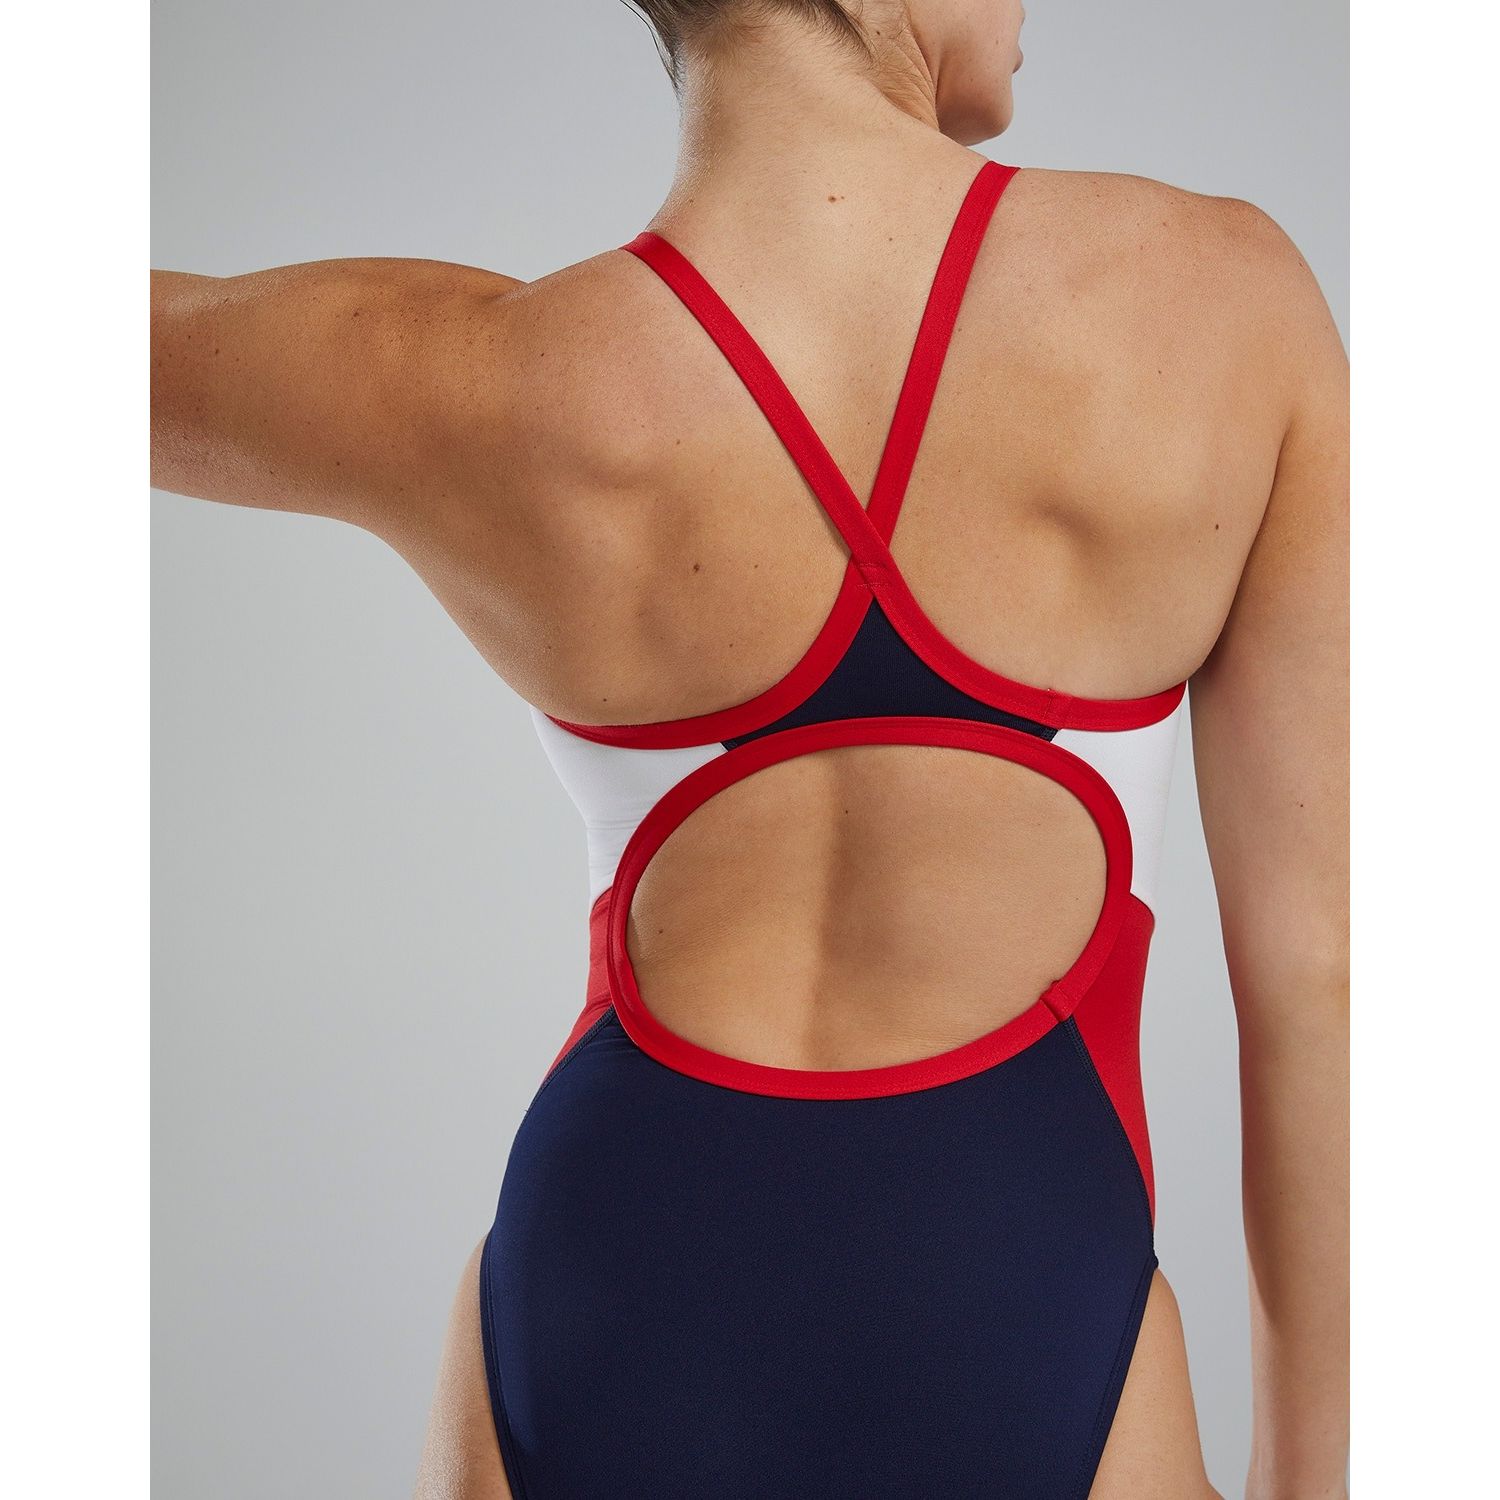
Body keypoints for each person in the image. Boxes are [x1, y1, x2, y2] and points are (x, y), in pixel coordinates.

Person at [151, 2, 1348, 1496]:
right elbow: (1318, 977)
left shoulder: (484, 375)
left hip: (611, 1286)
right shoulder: (1222, 301)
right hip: (1021, 1272)